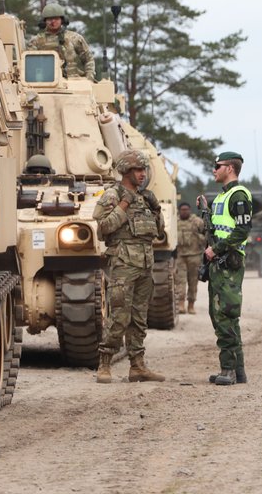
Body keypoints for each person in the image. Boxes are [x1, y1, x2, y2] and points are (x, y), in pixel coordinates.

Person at [94, 150, 165, 384]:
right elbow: (104, 227)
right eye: (138, 170)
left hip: (145, 264)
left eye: (144, 170)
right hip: (124, 264)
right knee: (118, 316)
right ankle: (104, 365)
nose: (143, 174)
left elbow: (158, 232)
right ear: (125, 170)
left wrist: (157, 210)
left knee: (139, 318)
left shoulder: (146, 197)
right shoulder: (113, 195)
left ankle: (137, 366)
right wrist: (125, 204)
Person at [197, 151, 252, 386]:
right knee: (220, 315)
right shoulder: (223, 196)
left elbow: (242, 231)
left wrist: (215, 249)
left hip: (228, 262)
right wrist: (207, 212)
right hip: (219, 263)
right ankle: (237, 371)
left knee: (225, 315)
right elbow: (221, 227)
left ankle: (228, 370)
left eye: (217, 166)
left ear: (229, 168)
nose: (214, 169)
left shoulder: (239, 195)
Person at [27, 3, 95, 79]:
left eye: (56, 19)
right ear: (44, 21)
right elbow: (30, 64)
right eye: (49, 19)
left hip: (73, 81)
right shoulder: (36, 41)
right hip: (46, 82)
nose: (53, 22)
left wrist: (89, 78)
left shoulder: (74, 38)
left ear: (62, 20)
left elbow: (88, 59)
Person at [174, 202, 207, 314]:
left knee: (193, 282)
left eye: (187, 209)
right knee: (180, 282)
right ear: (179, 211)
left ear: (190, 210)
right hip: (180, 257)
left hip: (195, 256)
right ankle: (181, 304)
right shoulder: (175, 222)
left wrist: (200, 239)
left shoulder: (197, 222)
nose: (185, 211)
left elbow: (206, 235)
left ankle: (191, 305)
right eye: (182, 209)